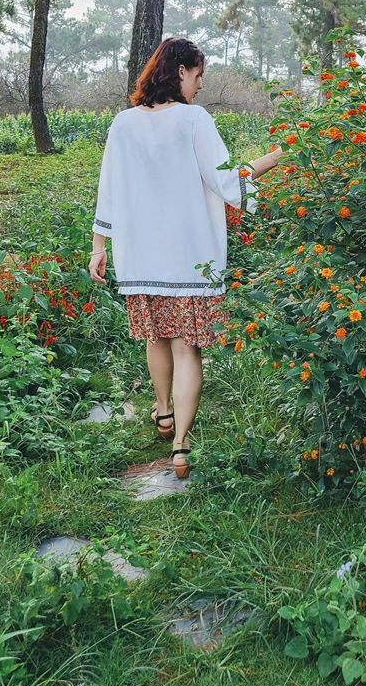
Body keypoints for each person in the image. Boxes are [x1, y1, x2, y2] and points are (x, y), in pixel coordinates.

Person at [88, 37, 282, 477]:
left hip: (140, 257)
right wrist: (273, 158)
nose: (199, 85)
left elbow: (108, 188)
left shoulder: (122, 123)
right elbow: (226, 180)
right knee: (186, 347)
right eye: (198, 75)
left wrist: (99, 246)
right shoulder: (195, 119)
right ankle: (180, 446)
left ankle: (163, 412)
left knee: (155, 338)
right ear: (180, 72)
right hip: (189, 257)